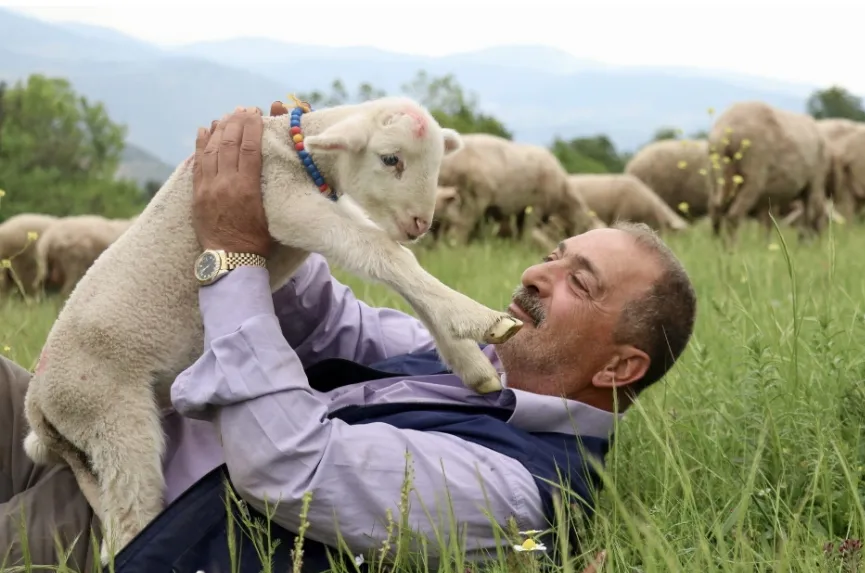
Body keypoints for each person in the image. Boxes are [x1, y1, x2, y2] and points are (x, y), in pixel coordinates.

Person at [0, 104, 697, 572]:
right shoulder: (478, 363)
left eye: (580, 281)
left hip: (128, 519)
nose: (537, 273)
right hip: (118, 411)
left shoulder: (513, 486)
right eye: (554, 252)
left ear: (619, 365)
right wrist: (278, 197)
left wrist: (232, 252)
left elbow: (287, 469)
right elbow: (331, 321)